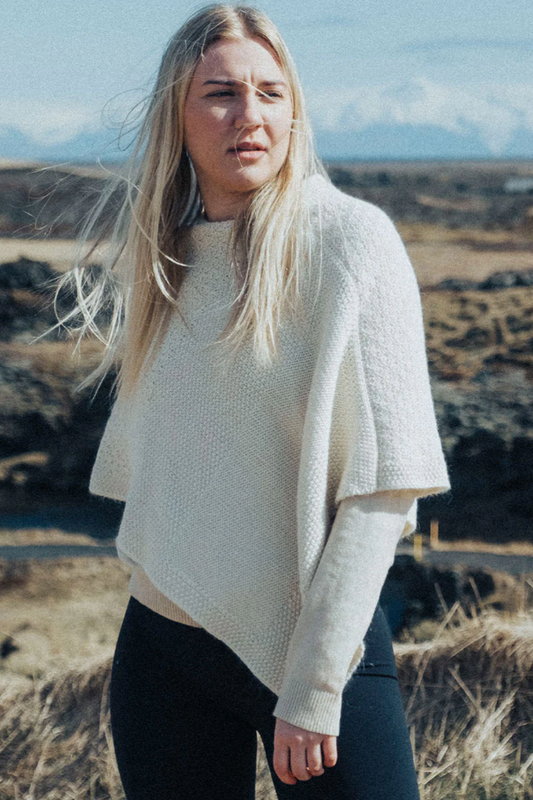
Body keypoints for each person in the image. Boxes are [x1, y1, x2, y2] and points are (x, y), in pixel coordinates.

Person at [45, 4, 451, 798]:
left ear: (295, 109)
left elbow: (381, 488)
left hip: (312, 650)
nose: (250, 115)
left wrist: (310, 692)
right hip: (162, 648)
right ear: (178, 115)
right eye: (221, 94)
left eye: (271, 92)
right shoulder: (166, 256)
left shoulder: (350, 242)